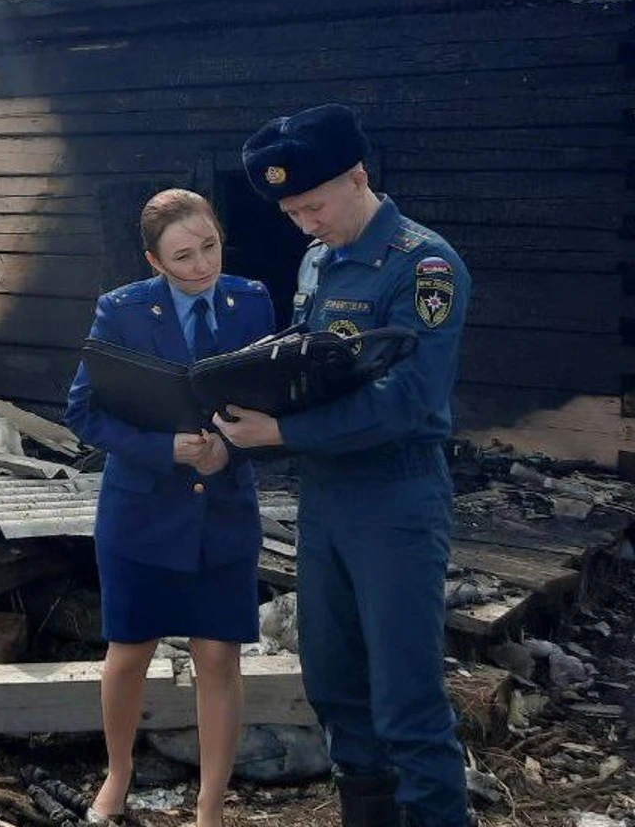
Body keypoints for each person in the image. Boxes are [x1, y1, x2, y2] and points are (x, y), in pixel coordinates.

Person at [214, 103, 473, 827]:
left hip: (396, 495)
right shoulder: (319, 259)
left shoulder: (425, 267)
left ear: (359, 177)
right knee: (334, 686)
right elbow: (307, 362)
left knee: (406, 696)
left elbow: (408, 403)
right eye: (293, 212)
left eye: (313, 206)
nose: (304, 224)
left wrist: (282, 431)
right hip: (326, 497)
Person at [64, 188, 276, 827]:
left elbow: (273, 403)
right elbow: (84, 411)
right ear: (154, 262)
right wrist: (166, 449)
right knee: (129, 652)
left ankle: (210, 805)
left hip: (225, 513)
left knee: (219, 657)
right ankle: (118, 772)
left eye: (208, 246)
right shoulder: (122, 312)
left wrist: (228, 453)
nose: (201, 265)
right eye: (182, 256)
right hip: (141, 513)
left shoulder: (253, 302)